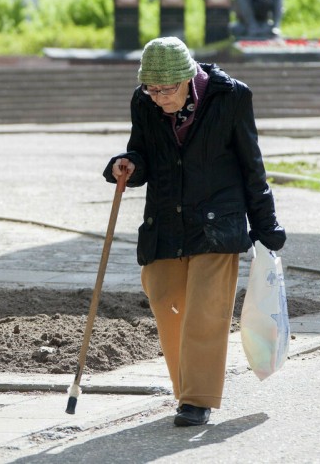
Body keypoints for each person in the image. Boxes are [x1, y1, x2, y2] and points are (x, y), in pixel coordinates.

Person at [103, 37, 286, 427]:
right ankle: (187, 388)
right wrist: (127, 164)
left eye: (166, 89)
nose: (158, 98)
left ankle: (195, 400)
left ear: (188, 78)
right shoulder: (144, 102)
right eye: (151, 89)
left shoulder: (230, 97)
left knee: (205, 309)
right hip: (167, 219)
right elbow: (143, 152)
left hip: (219, 222)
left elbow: (252, 166)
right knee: (165, 296)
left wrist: (266, 226)